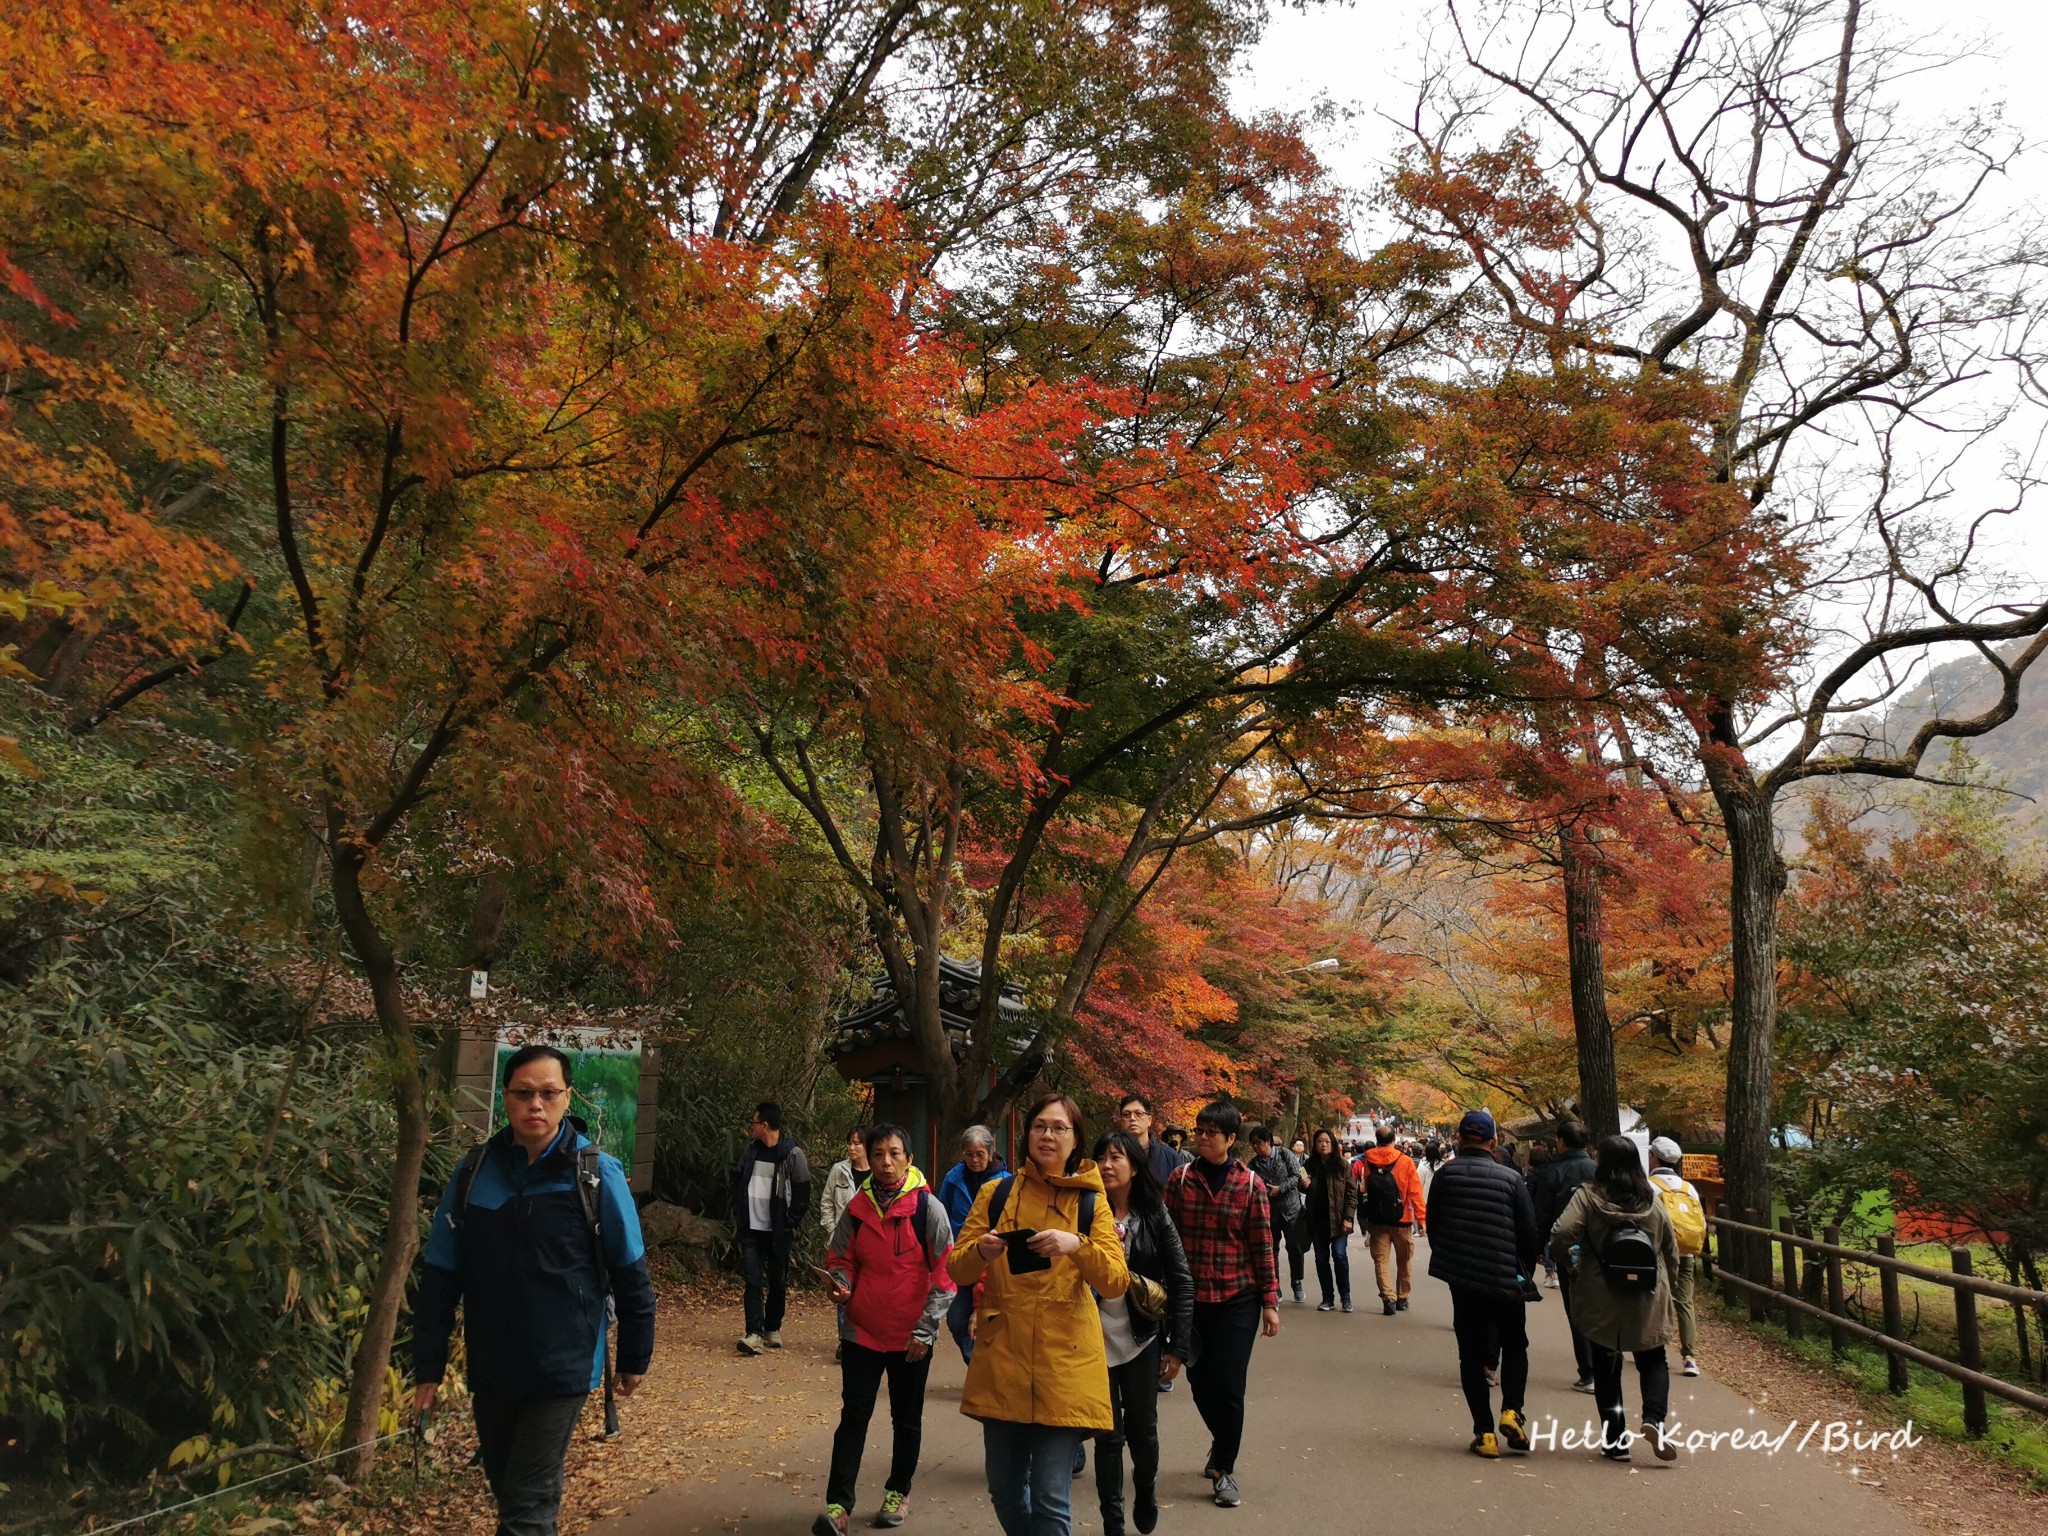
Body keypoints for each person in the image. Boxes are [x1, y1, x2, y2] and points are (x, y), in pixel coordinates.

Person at [414, 1045, 656, 1536]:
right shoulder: (474, 1172)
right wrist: (429, 1366)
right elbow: (440, 1275)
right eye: (524, 1094)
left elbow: (631, 1272)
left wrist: (635, 1356)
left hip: (562, 1365)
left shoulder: (595, 1174)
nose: (536, 1106)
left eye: (549, 1093)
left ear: (568, 1097)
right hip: (493, 1363)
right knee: (511, 1494)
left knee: (525, 1508)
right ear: (506, 1099)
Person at [948, 1092, 1129, 1536]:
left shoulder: (1092, 1201)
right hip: (1003, 1353)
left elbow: (1115, 1281)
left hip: (1064, 1360)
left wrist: (1077, 1246)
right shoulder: (997, 1193)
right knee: (1005, 1492)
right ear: (1026, 1134)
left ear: (1075, 1140)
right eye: (1039, 1126)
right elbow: (957, 1266)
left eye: (1059, 1128)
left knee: (1050, 1499)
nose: (1047, 1135)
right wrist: (983, 1251)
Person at [816, 1123, 955, 1535]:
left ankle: (898, 1491)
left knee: (905, 1418)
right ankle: (838, 1506)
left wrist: (926, 1330)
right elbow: (840, 1257)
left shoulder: (928, 1209)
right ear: (869, 1160)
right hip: (862, 1330)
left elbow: (945, 1275)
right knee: (854, 1415)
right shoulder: (856, 1208)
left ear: (909, 1159)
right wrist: (841, 1285)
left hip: (911, 1335)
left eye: (895, 1153)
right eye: (878, 1154)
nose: (886, 1162)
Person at [1163, 1100, 1280, 1509]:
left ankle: (1224, 1468)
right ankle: (1221, 1439)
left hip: (1238, 1297)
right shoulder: (1179, 1180)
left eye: (1213, 1132)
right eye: (1201, 1130)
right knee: (1198, 1381)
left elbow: (1263, 1246)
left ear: (1232, 1139)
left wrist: (1269, 1302)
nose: (1203, 1137)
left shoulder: (1251, 1185)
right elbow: (1167, 1237)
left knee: (1229, 1384)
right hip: (1191, 1299)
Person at [1550, 1135, 1682, 1463]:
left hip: (1601, 1291)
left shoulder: (1588, 1196)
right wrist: (1672, 1284)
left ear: (1602, 1162)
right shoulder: (1652, 1199)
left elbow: (1561, 1232)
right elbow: (1671, 1246)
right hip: (1646, 1293)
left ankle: (1615, 1440)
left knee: (1607, 1364)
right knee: (1653, 1359)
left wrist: (1571, 1263)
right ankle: (1654, 1419)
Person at [1090, 1131, 1194, 1536]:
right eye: (1100, 1157)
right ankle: (1112, 1522)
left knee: (1142, 1430)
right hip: (1093, 1339)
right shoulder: (1082, 1212)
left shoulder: (1154, 1215)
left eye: (1116, 1157)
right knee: (1107, 1436)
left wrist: (1178, 1348)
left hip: (1141, 1338)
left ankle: (1146, 1490)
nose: (1106, 1165)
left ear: (1134, 1167)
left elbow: (1182, 1280)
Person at [1424, 1109, 1540, 1459]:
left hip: (1464, 1281)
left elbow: (1434, 1225)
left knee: (1471, 1355)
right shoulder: (1510, 1179)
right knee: (1515, 1344)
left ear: (1459, 1139)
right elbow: (1528, 1232)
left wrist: (1452, 1260)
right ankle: (1512, 1411)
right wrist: (1524, 1272)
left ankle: (1484, 1433)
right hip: (1506, 1276)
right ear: (1493, 1142)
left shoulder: (1445, 1176)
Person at [733, 1101, 811, 1355]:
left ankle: (772, 1327)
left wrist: (790, 1221)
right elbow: (738, 1181)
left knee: (777, 1281)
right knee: (753, 1281)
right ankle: (753, 1333)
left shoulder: (791, 1154)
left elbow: (802, 1190)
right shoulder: (751, 1152)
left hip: (778, 1231)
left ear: (764, 1125)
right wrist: (739, 1214)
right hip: (751, 1229)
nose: (752, 1128)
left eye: (754, 1123)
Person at [1528, 1119, 1596, 1391]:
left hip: (1568, 1249)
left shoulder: (1553, 1172)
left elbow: (1542, 1215)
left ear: (1562, 1142)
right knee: (1599, 1306)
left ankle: (1588, 1371)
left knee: (1577, 1310)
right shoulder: (1596, 1169)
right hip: (1599, 1247)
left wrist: (1536, 1249)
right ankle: (1604, 1365)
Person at [937, 1125, 1010, 1365]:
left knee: (991, 1320)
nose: (974, 1159)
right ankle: (976, 1364)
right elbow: (943, 1213)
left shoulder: (1006, 1183)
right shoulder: (953, 1178)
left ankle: (989, 1371)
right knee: (957, 1319)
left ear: (991, 1152)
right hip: (964, 1260)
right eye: (969, 1154)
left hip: (996, 1263)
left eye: (979, 1154)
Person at [1355, 1123, 1427, 1316]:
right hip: (1402, 1219)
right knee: (1404, 1260)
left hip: (1377, 1219)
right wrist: (1421, 1219)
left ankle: (1388, 1298)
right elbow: (1415, 1192)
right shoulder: (1405, 1161)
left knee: (1381, 1261)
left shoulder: (1368, 1160)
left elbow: (1365, 1189)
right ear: (1394, 1140)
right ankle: (1403, 1297)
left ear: (1377, 1141)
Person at [1648, 1136, 1705, 1378]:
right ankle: (1690, 1357)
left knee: (1655, 1298)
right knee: (1685, 1301)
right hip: (1686, 1251)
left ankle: (1653, 1347)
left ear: (1655, 1157)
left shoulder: (1649, 1185)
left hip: (1659, 1252)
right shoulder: (1688, 1187)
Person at [1245, 1124, 1309, 1305]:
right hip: (1268, 1212)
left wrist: (1280, 1189)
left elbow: (1296, 1176)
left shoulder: (1284, 1154)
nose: (1256, 1147)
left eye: (1258, 1143)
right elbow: (1249, 1183)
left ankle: (1297, 1281)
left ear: (1268, 1141)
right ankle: (1275, 1286)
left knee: (1294, 1248)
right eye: (1253, 1144)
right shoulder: (1254, 1163)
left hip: (1291, 1210)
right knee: (1271, 1251)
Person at [1302, 1127, 1357, 1312]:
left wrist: (1348, 1217)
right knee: (1321, 1259)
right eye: (1319, 1141)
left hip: (1339, 1219)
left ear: (1333, 1144)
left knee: (1340, 1255)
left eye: (1327, 1141)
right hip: (1317, 1221)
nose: (1323, 1144)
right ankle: (1327, 1298)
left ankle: (1346, 1297)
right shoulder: (1308, 1165)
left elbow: (1352, 1193)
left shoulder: (1342, 1165)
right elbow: (1301, 1185)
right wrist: (1304, 1184)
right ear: (1315, 1145)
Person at [1115, 1093, 1191, 1188]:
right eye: (1126, 1114)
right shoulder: (1113, 1156)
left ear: (1149, 1120)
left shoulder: (1170, 1156)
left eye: (1138, 1113)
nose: (1132, 1118)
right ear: (1121, 1120)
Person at [1525, 1143, 1558, 1285]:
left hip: (1538, 1211)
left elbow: (1528, 1195)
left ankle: (1551, 1273)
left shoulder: (1532, 1175)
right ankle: (1553, 1271)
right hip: (1555, 1210)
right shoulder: (1553, 1171)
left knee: (1545, 1242)